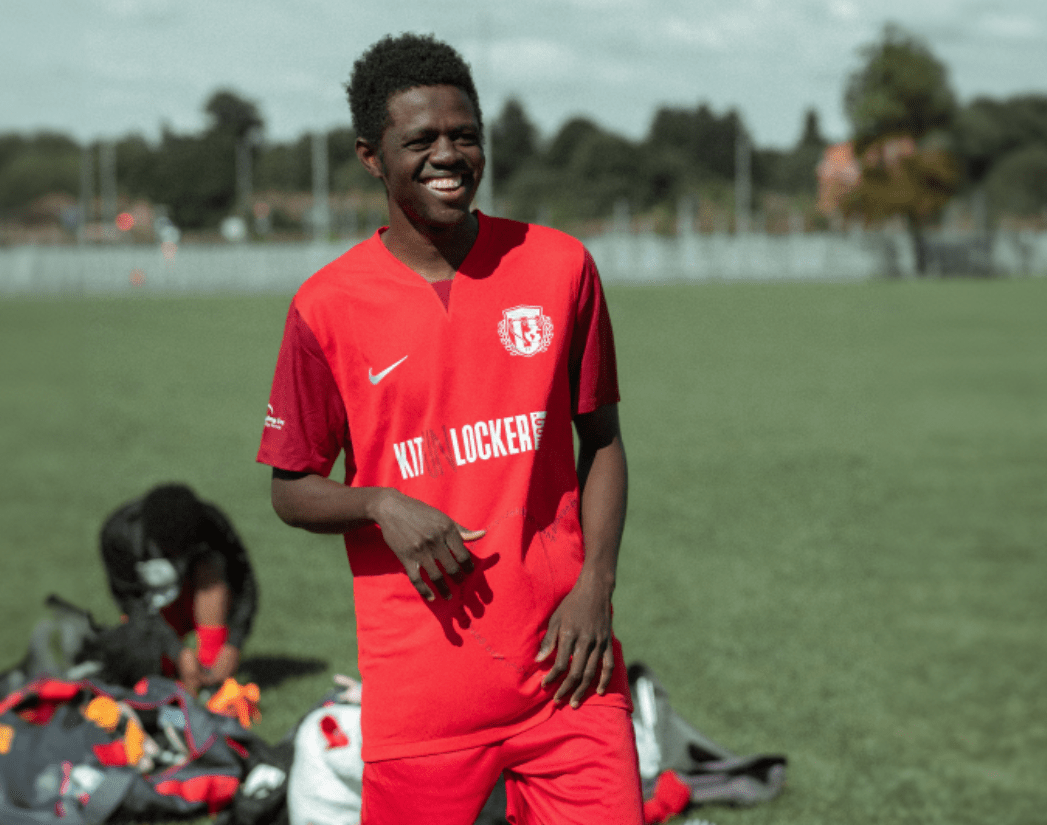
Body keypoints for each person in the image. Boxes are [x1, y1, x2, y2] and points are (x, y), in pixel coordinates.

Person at [256, 33, 643, 825]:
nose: (449, 155)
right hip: (423, 693)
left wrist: (596, 585)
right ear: (371, 156)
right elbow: (290, 487)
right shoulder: (326, 306)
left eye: (464, 134)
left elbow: (601, 439)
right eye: (421, 140)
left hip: (567, 670)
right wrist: (378, 504)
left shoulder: (560, 265)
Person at [99, 482, 258, 695]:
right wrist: (177, 651)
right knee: (146, 670)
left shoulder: (210, 522)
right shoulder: (119, 535)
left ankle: (211, 675)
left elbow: (243, 580)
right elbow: (133, 605)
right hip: (153, 615)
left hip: (195, 601)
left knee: (211, 567)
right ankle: (168, 676)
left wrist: (233, 644)